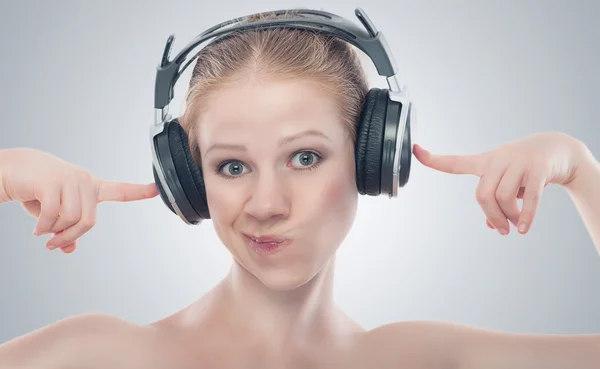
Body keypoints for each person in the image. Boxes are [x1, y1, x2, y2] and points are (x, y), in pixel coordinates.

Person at [0, 8, 599, 369]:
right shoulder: (96, 356)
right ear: (188, 178)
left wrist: (578, 168)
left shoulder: (422, 359)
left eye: (305, 157)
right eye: (232, 167)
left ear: (373, 158)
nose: (266, 205)